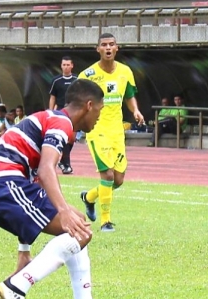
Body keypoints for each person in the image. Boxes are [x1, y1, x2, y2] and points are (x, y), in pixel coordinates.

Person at [0, 79, 126, 299]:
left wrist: (24, 249)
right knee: (76, 228)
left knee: (79, 228)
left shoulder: (53, 121)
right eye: (99, 110)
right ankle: (16, 287)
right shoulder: (61, 123)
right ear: (89, 106)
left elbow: (36, 183)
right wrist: (63, 209)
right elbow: (46, 169)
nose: (98, 118)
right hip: (2, 183)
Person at [78, 33, 145, 233]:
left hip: (117, 131)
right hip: (97, 130)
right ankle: (105, 222)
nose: (108, 48)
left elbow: (130, 95)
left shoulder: (125, 72)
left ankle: (89, 197)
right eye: (104, 45)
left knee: (117, 180)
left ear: (117, 48)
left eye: (111, 44)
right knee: (106, 174)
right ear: (97, 49)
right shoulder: (87, 76)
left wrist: (135, 110)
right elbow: (78, 103)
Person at [49, 56, 77, 174]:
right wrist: (50, 111)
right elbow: (52, 97)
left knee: (72, 138)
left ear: (72, 66)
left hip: (75, 111)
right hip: (61, 111)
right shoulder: (56, 80)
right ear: (61, 66)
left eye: (67, 65)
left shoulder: (77, 79)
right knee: (65, 137)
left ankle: (63, 161)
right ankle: (67, 164)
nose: (66, 67)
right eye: (63, 65)